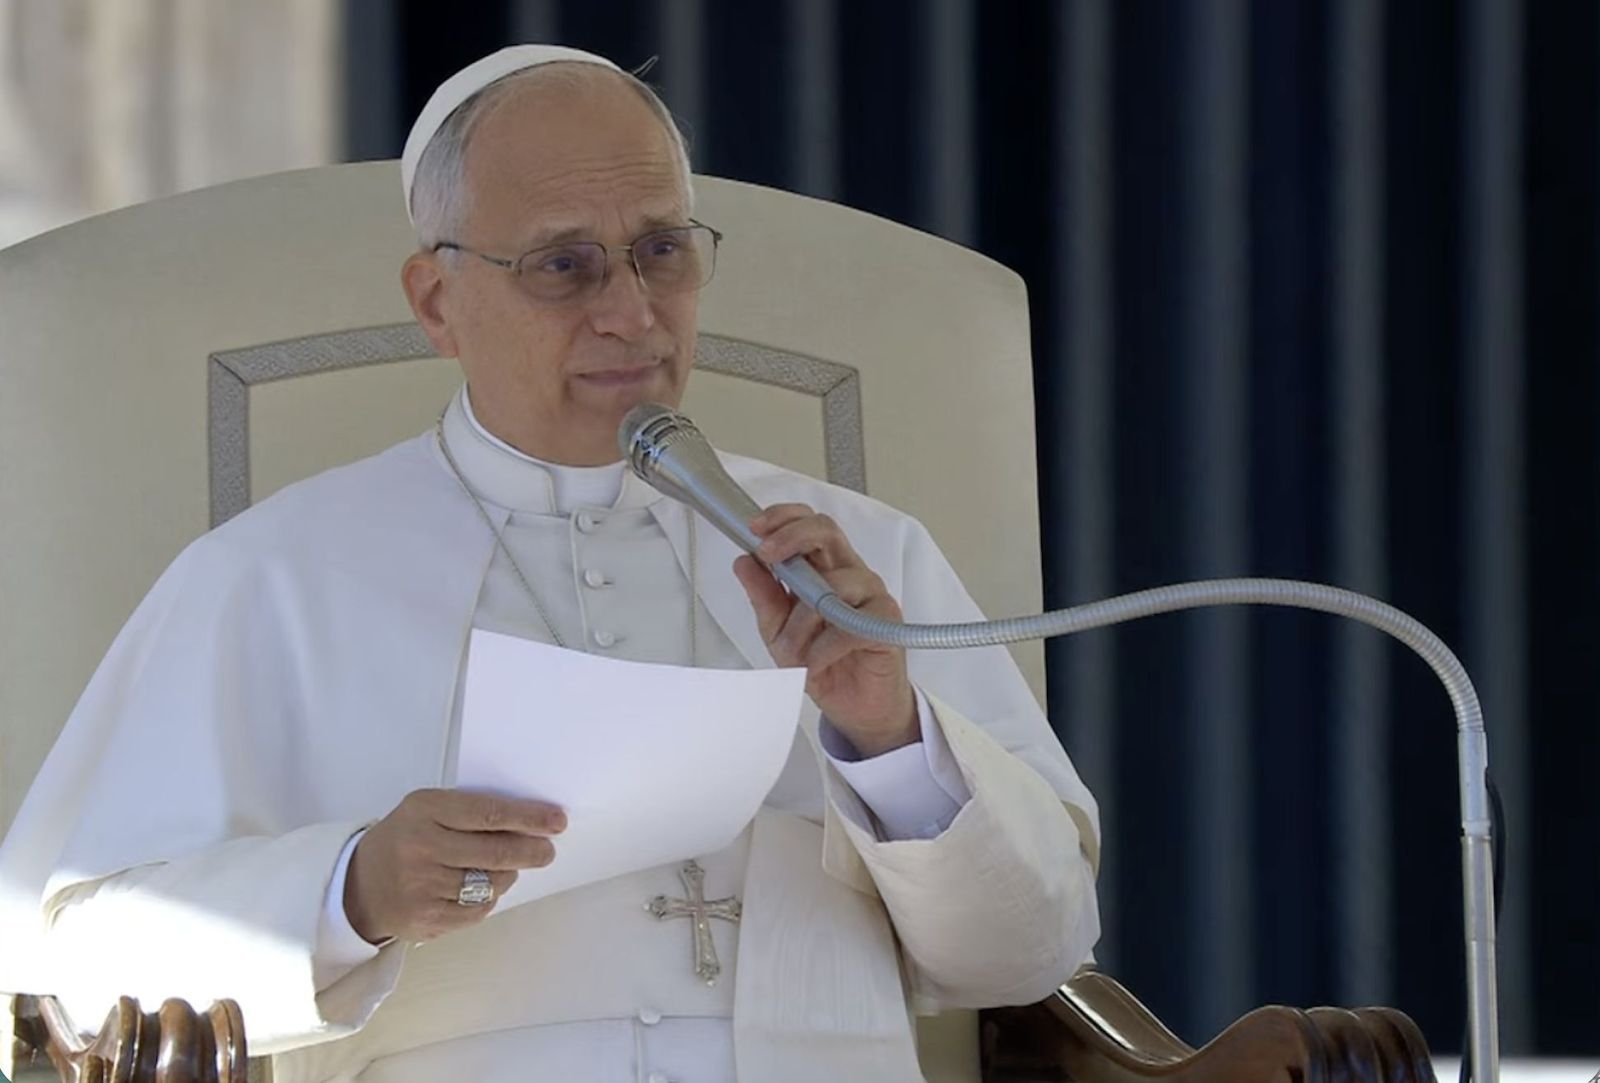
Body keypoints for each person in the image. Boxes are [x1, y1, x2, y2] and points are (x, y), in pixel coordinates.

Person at [0, 44, 1100, 1083]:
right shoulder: (275, 576)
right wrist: (353, 890)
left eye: (662, 250)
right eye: (562, 265)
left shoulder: (857, 554)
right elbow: (68, 968)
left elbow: (1029, 956)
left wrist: (889, 735)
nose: (631, 313)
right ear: (437, 302)